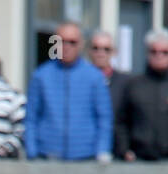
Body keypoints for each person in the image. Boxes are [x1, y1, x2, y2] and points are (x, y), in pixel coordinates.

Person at [25, 20, 113, 162]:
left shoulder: (94, 77)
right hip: (47, 156)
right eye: (61, 41)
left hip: (85, 157)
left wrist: (102, 151)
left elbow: (104, 118)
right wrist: (32, 152)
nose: (66, 47)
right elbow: (31, 117)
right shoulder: (41, 75)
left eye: (72, 42)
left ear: (81, 44)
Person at [115, 29, 168, 162]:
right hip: (138, 160)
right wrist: (124, 150)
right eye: (154, 51)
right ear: (147, 53)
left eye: (165, 52)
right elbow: (121, 121)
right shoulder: (134, 85)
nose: (159, 56)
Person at [88, 28, 129, 150]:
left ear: (114, 52)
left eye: (106, 49)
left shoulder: (125, 82)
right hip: (87, 147)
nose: (101, 53)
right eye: (96, 48)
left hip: (117, 148)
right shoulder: (81, 81)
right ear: (89, 51)